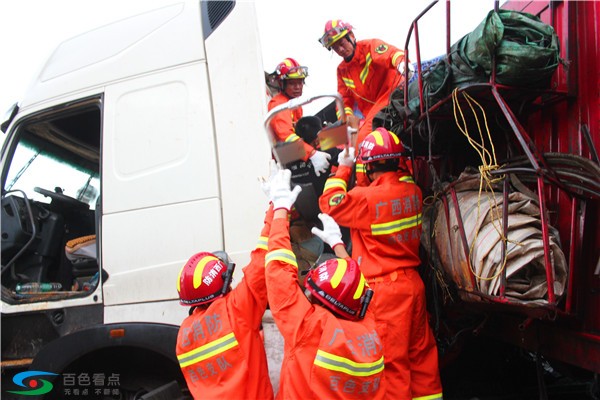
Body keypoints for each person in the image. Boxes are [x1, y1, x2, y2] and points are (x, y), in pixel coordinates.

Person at [318, 128, 443, 400]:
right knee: (421, 355)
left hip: (385, 293)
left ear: (369, 165)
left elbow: (329, 202)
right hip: (412, 285)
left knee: (392, 364)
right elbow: (385, 188)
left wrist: (344, 168)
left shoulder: (366, 200)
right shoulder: (413, 191)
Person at [265, 168, 386, 399]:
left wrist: (278, 211)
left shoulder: (311, 328)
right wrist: (338, 245)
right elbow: (361, 290)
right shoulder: (370, 328)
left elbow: (278, 272)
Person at [175, 206, 275, 399]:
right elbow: (260, 263)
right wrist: (275, 209)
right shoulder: (236, 309)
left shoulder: (183, 335)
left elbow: (229, 355)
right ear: (222, 286)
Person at [319, 19, 411, 186]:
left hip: (391, 95)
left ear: (351, 36)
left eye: (341, 42)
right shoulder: (341, 71)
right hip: (371, 111)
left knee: (363, 140)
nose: (340, 49)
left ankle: (363, 187)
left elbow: (392, 54)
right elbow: (343, 100)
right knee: (349, 140)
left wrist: (403, 64)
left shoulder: (370, 47)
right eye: (335, 46)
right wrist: (346, 119)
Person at [268, 57, 331, 177]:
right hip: (286, 155)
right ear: (282, 84)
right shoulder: (279, 104)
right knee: (332, 148)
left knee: (336, 136)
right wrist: (312, 153)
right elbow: (287, 137)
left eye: (300, 82)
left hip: (295, 152)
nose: (298, 87)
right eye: (292, 83)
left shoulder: (294, 104)